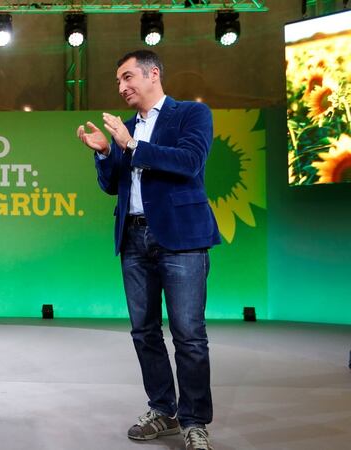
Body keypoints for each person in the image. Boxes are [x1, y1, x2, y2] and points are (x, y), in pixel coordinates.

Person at [77, 50, 220, 450]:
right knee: (143, 331)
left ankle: (195, 421)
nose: (122, 87)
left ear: (152, 74)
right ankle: (163, 409)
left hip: (181, 239)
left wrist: (132, 145)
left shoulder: (191, 115)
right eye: (118, 82)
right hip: (134, 238)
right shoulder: (124, 128)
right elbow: (112, 186)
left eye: (127, 78)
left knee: (189, 335)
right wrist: (105, 152)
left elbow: (190, 162)